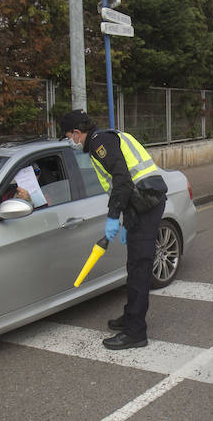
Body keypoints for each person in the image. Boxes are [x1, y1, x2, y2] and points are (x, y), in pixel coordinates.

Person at [59, 109, 167, 350]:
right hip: (142, 202)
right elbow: (125, 186)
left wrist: (112, 216)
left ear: (76, 132)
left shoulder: (100, 143)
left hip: (147, 202)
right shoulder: (104, 139)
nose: (70, 142)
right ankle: (131, 316)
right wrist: (127, 221)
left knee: (139, 268)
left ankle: (135, 332)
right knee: (134, 266)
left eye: (68, 137)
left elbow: (122, 180)